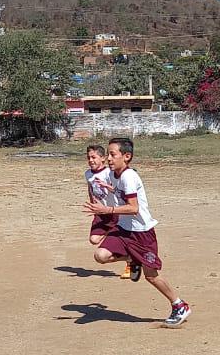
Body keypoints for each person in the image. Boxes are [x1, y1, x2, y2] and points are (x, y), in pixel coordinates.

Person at [82, 137, 191, 326]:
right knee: (100, 255)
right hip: (123, 228)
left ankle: (179, 305)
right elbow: (117, 192)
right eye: (108, 154)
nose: (109, 158)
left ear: (126, 156)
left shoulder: (129, 177)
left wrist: (107, 210)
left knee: (151, 276)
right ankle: (133, 260)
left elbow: (133, 208)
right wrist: (110, 190)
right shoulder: (113, 174)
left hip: (142, 233)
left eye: (112, 154)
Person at [84, 144, 130, 278]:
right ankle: (128, 255)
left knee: (115, 240)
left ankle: (130, 260)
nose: (91, 160)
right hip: (100, 213)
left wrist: (110, 188)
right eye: (88, 158)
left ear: (103, 158)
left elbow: (118, 189)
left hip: (113, 212)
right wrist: (93, 204)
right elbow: (90, 188)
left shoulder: (109, 173)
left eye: (94, 157)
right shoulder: (88, 174)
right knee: (93, 239)